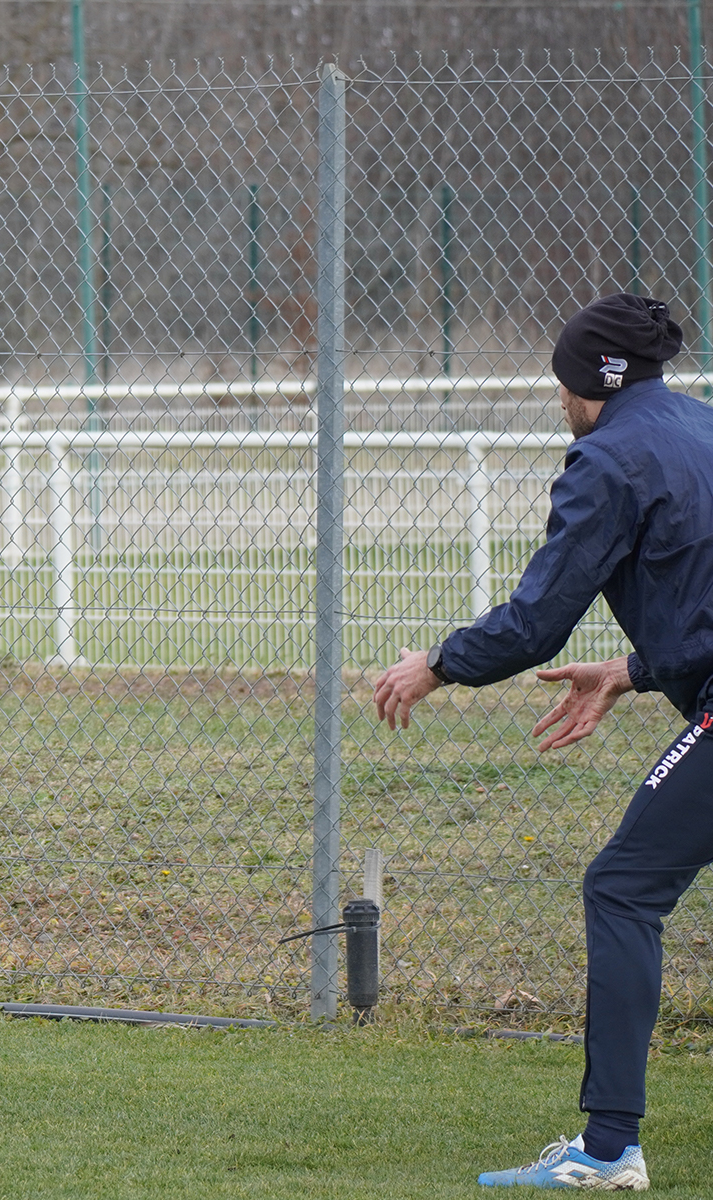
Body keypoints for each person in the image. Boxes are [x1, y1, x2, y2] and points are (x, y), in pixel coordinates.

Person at [374, 292, 713, 1191]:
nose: (555, 395)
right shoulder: (702, 428)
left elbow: (536, 623)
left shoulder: (607, 460)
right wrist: (636, 673)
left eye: (560, 378)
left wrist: (439, 665)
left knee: (624, 887)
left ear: (585, 380)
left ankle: (608, 1152)